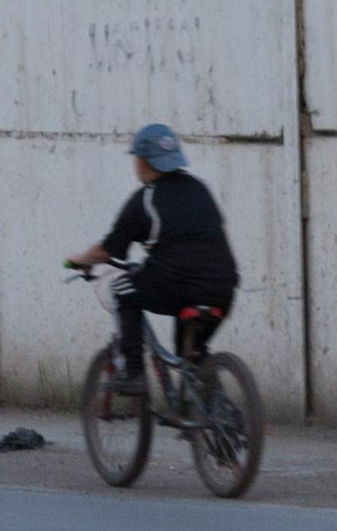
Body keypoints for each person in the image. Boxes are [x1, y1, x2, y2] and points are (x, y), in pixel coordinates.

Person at [66, 123, 239, 394]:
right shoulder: (199, 189)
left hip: (175, 285)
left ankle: (133, 373)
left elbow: (108, 250)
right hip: (222, 286)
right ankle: (209, 413)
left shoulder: (145, 200)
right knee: (191, 355)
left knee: (122, 290)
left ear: (142, 161)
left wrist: (81, 259)